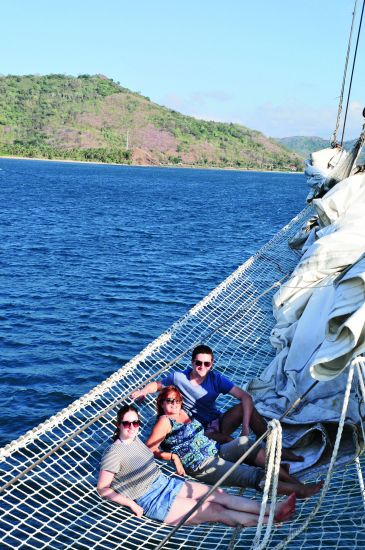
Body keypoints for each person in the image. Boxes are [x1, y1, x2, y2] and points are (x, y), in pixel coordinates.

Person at [97, 404, 297, 527]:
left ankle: (272, 509)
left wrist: (174, 456)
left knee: (219, 495)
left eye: (135, 423)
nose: (132, 427)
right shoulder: (114, 453)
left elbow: (150, 453)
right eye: (126, 424)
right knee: (215, 511)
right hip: (153, 500)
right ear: (118, 425)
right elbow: (103, 488)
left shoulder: (136, 440)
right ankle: (269, 521)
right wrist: (131, 503)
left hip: (166, 483)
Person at [146, 386, 323, 499]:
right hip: (202, 464)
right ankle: (299, 491)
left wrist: (222, 438)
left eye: (176, 400)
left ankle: (291, 479)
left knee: (245, 442)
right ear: (161, 403)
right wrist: (173, 457)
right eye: (168, 401)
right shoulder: (164, 421)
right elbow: (149, 449)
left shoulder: (183, 414)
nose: (173, 404)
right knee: (252, 475)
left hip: (215, 450)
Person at [132, 344, 303, 461]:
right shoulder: (178, 377)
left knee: (245, 410)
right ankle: (255, 455)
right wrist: (142, 392)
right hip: (197, 432)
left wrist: (244, 429)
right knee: (234, 444)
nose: (202, 366)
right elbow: (158, 385)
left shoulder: (216, 379)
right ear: (192, 363)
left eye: (207, 363)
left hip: (217, 422)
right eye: (198, 363)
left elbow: (245, 397)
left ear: (212, 364)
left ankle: (276, 448)